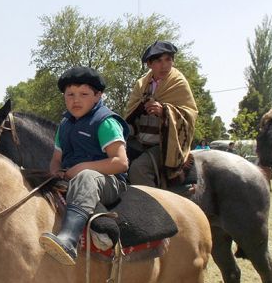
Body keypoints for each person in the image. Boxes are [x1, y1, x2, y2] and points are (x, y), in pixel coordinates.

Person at [39, 66, 130, 266]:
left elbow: (121, 163)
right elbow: (56, 158)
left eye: (83, 94)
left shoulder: (105, 122)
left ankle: (68, 240)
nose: (75, 100)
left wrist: (81, 168)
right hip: (74, 177)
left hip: (107, 181)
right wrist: (55, 173)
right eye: (70, 94)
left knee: (86, 177)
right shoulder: (64, 125)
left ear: (98, 96)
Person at [123, 40, 198, 191]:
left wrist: (164, 111)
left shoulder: (178, 83)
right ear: (149, 64)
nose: (164, 65)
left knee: (139, 169)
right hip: (140, 140)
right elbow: (130, 114)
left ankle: (153, 210)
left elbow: (189, 115)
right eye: (158, 60)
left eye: (168, 59)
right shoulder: (141, 85)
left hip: (164, 145)